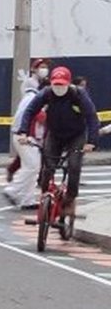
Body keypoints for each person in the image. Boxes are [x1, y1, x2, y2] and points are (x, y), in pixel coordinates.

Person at [17, 66, 100, 216]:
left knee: (74, 166)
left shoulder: (78, 95)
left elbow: (92, 117)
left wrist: (91, 142)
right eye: (56, 84)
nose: (58, 87)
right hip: (55, 134)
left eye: (62, 84)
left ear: (68, 83)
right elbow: (30, 111)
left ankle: (69, 199)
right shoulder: (46, 93)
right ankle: (45, 198)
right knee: (48, 167)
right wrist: (23, 132)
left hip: (76, 135)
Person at [4, 77, 44, 210]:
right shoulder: (35, 99)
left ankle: (27, 199)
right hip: (27, 137)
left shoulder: (27, 99)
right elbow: (41, 118)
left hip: (22, 136)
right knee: (32, 166)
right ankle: (13, 190)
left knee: (32, 167)